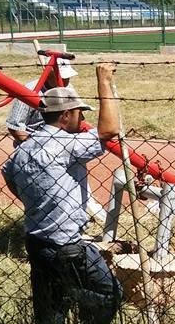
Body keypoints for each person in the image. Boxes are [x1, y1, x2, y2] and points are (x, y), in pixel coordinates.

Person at [1, 64, 123, 324]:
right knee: (109, 293)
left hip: (36, 239)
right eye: (80, 114)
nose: (82, 120)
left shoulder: (23, 149)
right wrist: (104, 80)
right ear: (66, 115)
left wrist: (38, 202)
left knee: (49, 308)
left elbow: (9, 176)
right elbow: (108, 131)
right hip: (66, 245)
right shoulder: (65, 145)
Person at [6, 56, 107, 222]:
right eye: (63, 76)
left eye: (68, 76)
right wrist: (39, 147)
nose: (66, 80)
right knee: (49, 194)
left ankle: (85, 213)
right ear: (49, 73)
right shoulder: (31, 90)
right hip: (36, 151)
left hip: (62, 145)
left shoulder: (67, 88)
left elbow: (75, 116)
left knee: (74, 184)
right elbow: (15, 126)